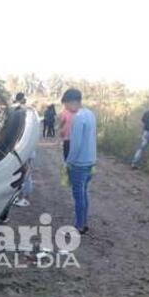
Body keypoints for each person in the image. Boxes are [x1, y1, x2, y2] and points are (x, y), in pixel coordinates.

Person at [62, 88, 97, 234]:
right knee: (84, 193)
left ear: (72, 102)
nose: (66, 108)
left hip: (79, 164)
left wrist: (68, 162)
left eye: (66, 104)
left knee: (78, 196)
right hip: (90, 161)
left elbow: (75, 145)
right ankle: (84, 222)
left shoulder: (78, 118)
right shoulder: (90, 114)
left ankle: (79, 226)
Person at [13, 92, 34, 207]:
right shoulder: (29, 111)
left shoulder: (21, 112)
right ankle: (23, 196)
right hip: (26, 147)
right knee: (24, 172)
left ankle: (25, 198)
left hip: (24, 147)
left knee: (25, 173)